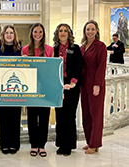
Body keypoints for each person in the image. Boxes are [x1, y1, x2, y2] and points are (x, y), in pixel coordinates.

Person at [21, 23, 54, 157]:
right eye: (35, 32)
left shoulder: (50, 50)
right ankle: (33, 144)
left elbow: (52, 69)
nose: (38, 34)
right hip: (30, 88)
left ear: (43, 33)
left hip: (44, 88)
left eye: (40, 32)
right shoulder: (24, 50)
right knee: (32, 118)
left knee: (44, 117)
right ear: (31, 33)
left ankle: (42, 145)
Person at [52, 23, 82, 156]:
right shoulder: (54, 49)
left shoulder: (75, 48)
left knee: (70, 116)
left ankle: (68, 145)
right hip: (58, 86)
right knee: (60, 115)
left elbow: (79, 66)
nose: (63, 33)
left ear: (69, 33)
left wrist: (73, 82)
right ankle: (60, 143)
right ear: (57, 34)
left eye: (65, 31)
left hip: (72, 86)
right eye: (60, 31)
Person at [0, 25, 22, 154]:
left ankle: (14, 144)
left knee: (15, 117)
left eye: (11, 33)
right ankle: (4, 144)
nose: (9, 35)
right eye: (7, 33)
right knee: (3, 117)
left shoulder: (20, 51)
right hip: (2, 88)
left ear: (14, 35)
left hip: (17, 90)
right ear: (3, 35)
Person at [80, 20, 107, 154]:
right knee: (86, 113)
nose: (90, 31)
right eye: (87, 29)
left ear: (96, 31)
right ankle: (89, 141)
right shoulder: (82, 47)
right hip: (83, 83)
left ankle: (95, 143)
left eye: (92, 29)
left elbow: (102, 66)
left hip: (95, 83)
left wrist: (97, 84)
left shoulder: (101, 46)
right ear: (84, 31)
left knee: (96, 114)